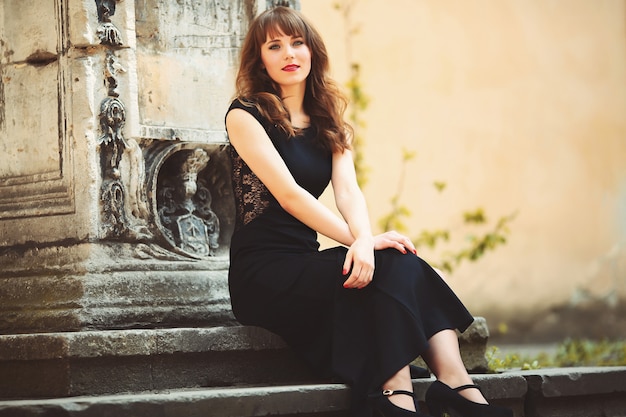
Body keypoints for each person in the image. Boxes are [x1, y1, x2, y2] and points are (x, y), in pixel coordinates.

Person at [225, 6, 513, 417]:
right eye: (275, 45)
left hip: (306, 262)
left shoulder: (330, 122)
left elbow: (348, 191)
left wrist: (365, 240)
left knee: (398, 260)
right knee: (380, 262)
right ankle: (399, 395)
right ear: (260, 59)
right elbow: (289, 195)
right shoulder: (245, 115)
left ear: (312, 51)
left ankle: (453, 384)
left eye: (297, 42)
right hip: (263, 273)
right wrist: (360, 241)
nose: (289, 52)